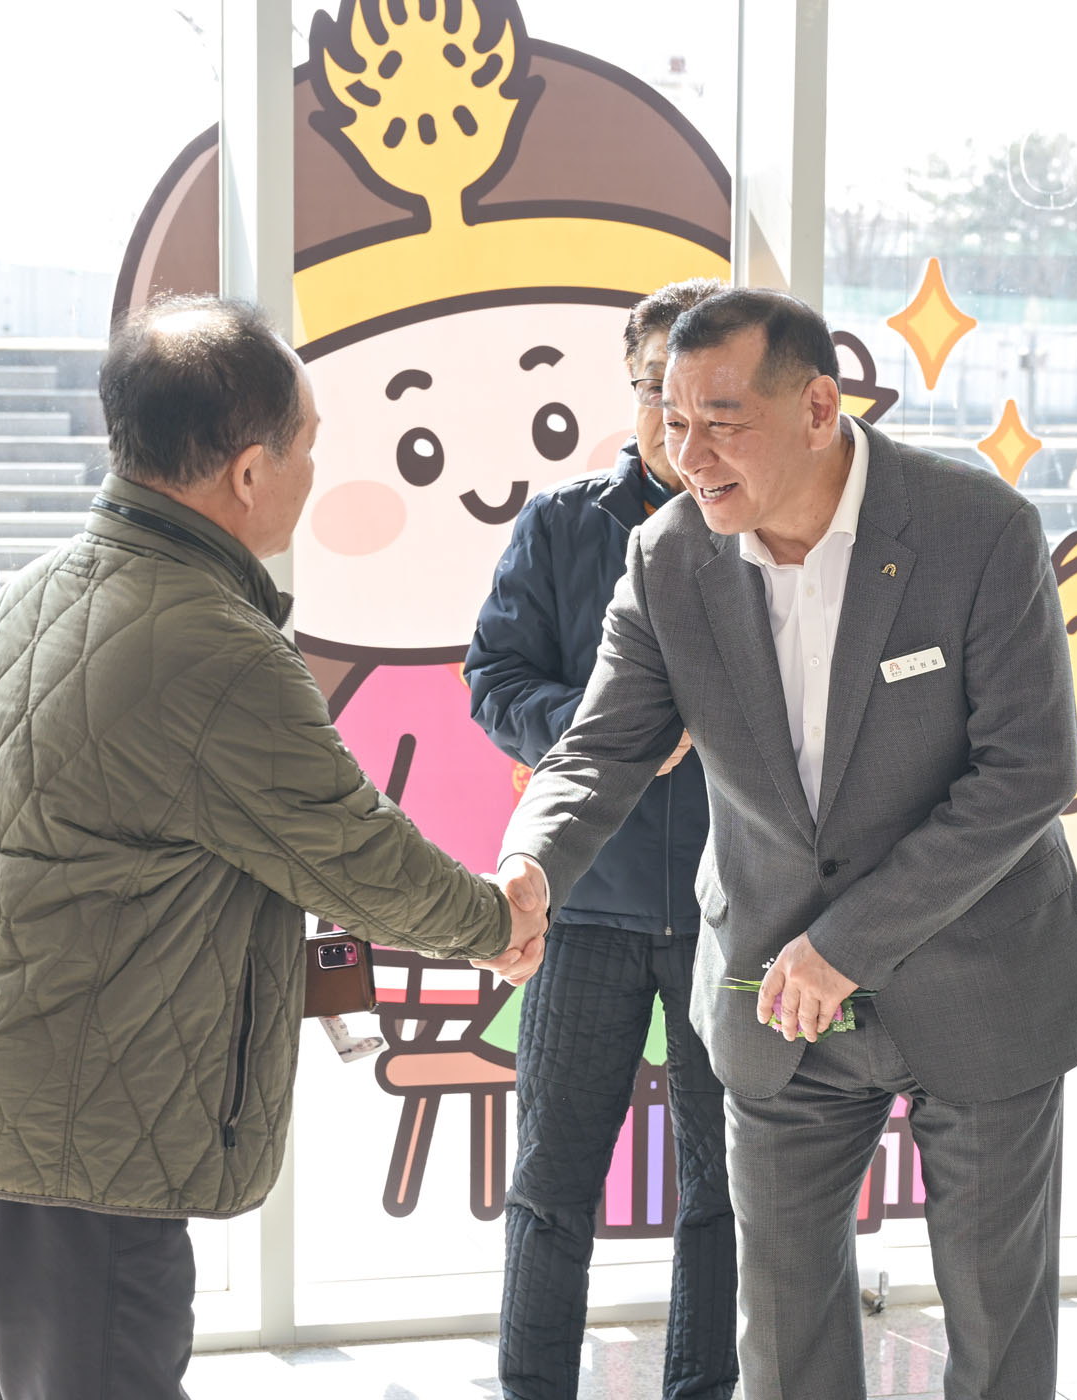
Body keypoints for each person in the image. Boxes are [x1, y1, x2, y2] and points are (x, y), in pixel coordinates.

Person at [0, 294, 547, 1400]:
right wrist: (496, 922)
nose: (314, 475)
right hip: (75, 1148)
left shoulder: (24, 601)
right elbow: (356, 852)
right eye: (308, 448)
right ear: (249, 472)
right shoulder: (211, 646)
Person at [496, 288, 1077, 1400]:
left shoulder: (974, 529)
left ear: (819, 407)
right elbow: (599, 749)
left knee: (997, 1331)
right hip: (775, 997)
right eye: (673, 419)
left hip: (981, 984)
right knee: (780, 1341)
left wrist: (847, 944)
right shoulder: (667, 557)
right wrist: (530, 865)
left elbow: (1029, 770)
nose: (689, 454)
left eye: (722, 421)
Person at [466, 277, 736, 1400]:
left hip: (737, 912)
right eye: (652, 388)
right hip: (583, 903)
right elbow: (493, 679)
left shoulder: (774, 531)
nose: (673, 418)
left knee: (725, 1190)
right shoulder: (565, 524)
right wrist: (602, 725)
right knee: (550, 1182)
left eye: (700, 394)